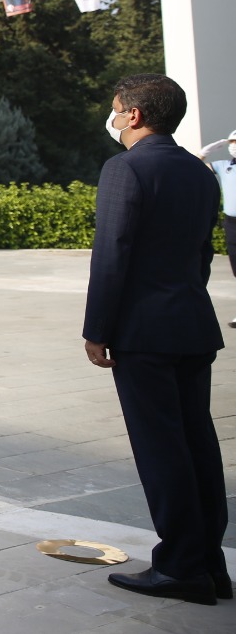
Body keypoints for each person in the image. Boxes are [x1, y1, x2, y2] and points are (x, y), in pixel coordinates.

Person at [83, 74, 226, 606]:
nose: (113, 117)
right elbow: (202, 254)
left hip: (145, 331)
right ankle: (210, 565)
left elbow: (112, 254)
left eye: (116, 108)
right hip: (191, 322)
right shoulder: (198, 172)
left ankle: (181, 567)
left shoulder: (125, 169)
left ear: (135, 116)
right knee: (197, 446)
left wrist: (97, 329)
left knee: (161, 450)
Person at [199, 128, 236, 291]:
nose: (234, 146)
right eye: (232, 143)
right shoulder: (224, 165)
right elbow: (197, 167)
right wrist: (203, 153)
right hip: (231, 222)